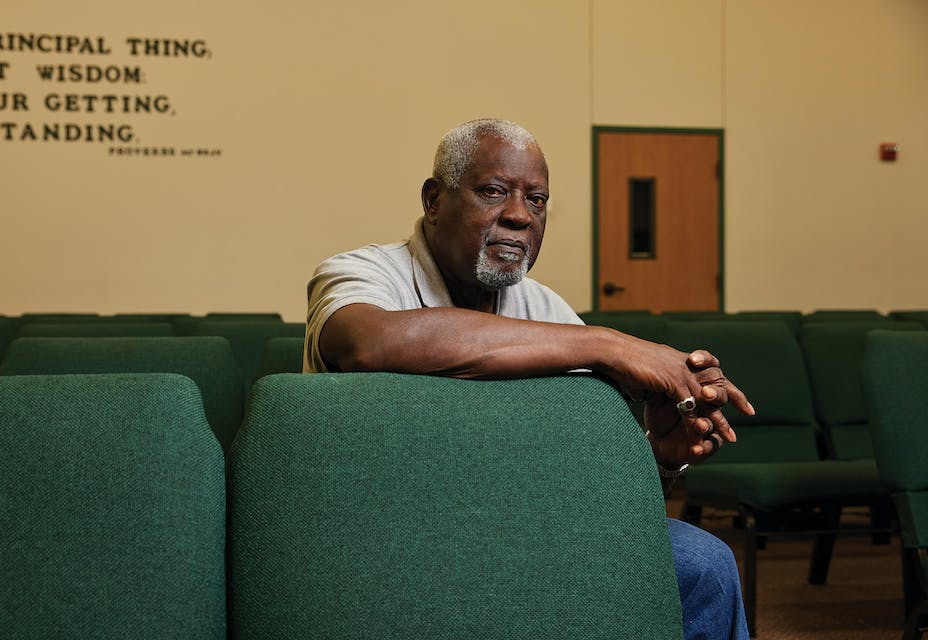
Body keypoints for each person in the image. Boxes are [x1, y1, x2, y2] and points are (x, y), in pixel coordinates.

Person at [304, 118, 752, 639]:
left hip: (525, 529)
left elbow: (594, 490)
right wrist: (609, 344)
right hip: (393, 533)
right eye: (493, 191)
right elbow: (369, 343)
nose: (519, 216)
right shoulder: (362, 273)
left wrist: (662, 454)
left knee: (704, 566)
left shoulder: (546, 308)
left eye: (536, 200)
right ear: (433, 200)